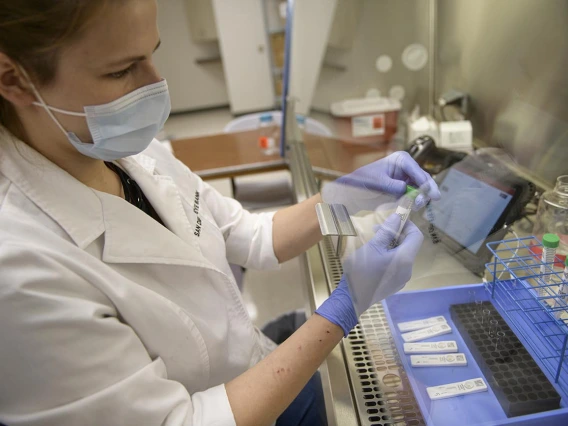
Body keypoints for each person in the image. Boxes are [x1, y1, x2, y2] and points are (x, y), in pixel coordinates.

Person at [0, 1, 440, 425]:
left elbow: (249, 234)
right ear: (13, 79)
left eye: (153, 55)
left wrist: (343, 197)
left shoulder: (126, 152)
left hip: (254, 370)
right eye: (120, 71)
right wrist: (347, 304)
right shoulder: (20, 270)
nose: (155, 85)